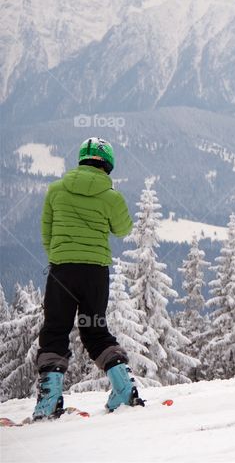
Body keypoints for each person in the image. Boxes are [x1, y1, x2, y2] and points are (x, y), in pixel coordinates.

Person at [32, 137, 144, 420]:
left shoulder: (56, 190)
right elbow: (123, 229)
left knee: (55, 331)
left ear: (81, 159)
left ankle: (49, 400)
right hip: (95, 273)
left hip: (62, 271)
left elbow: (47, 233)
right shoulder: (111, 196)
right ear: (107, 164)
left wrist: (60, 258)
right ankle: (123, 387)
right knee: (95, 329)